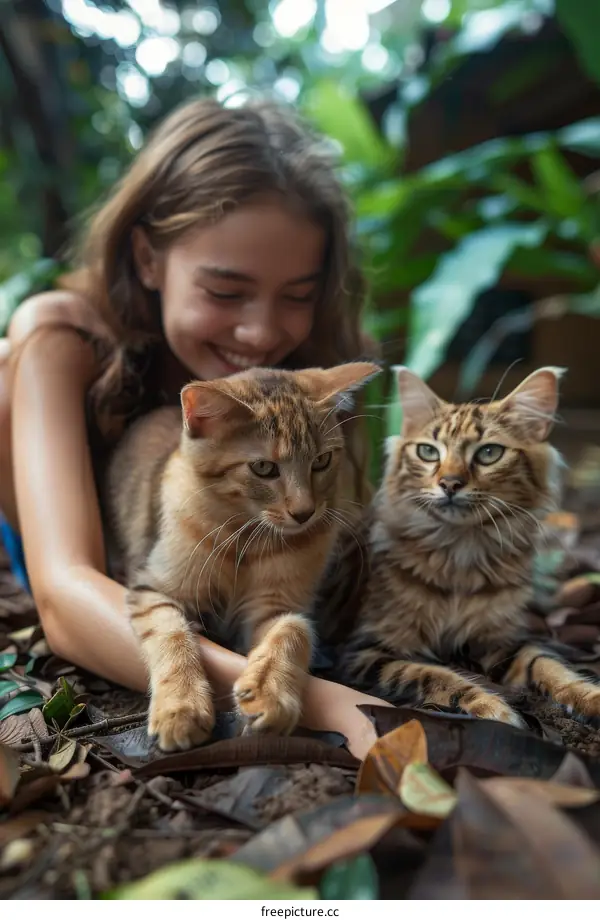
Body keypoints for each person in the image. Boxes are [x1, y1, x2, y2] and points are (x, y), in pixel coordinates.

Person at [0, 95, 392, 759]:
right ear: (147, 258)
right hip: (77, 562)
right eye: (225, 292)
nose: (261, 333)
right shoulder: (64, 336)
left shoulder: (313, 379)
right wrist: (320, 703)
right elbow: (65, 595)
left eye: (298, 295)